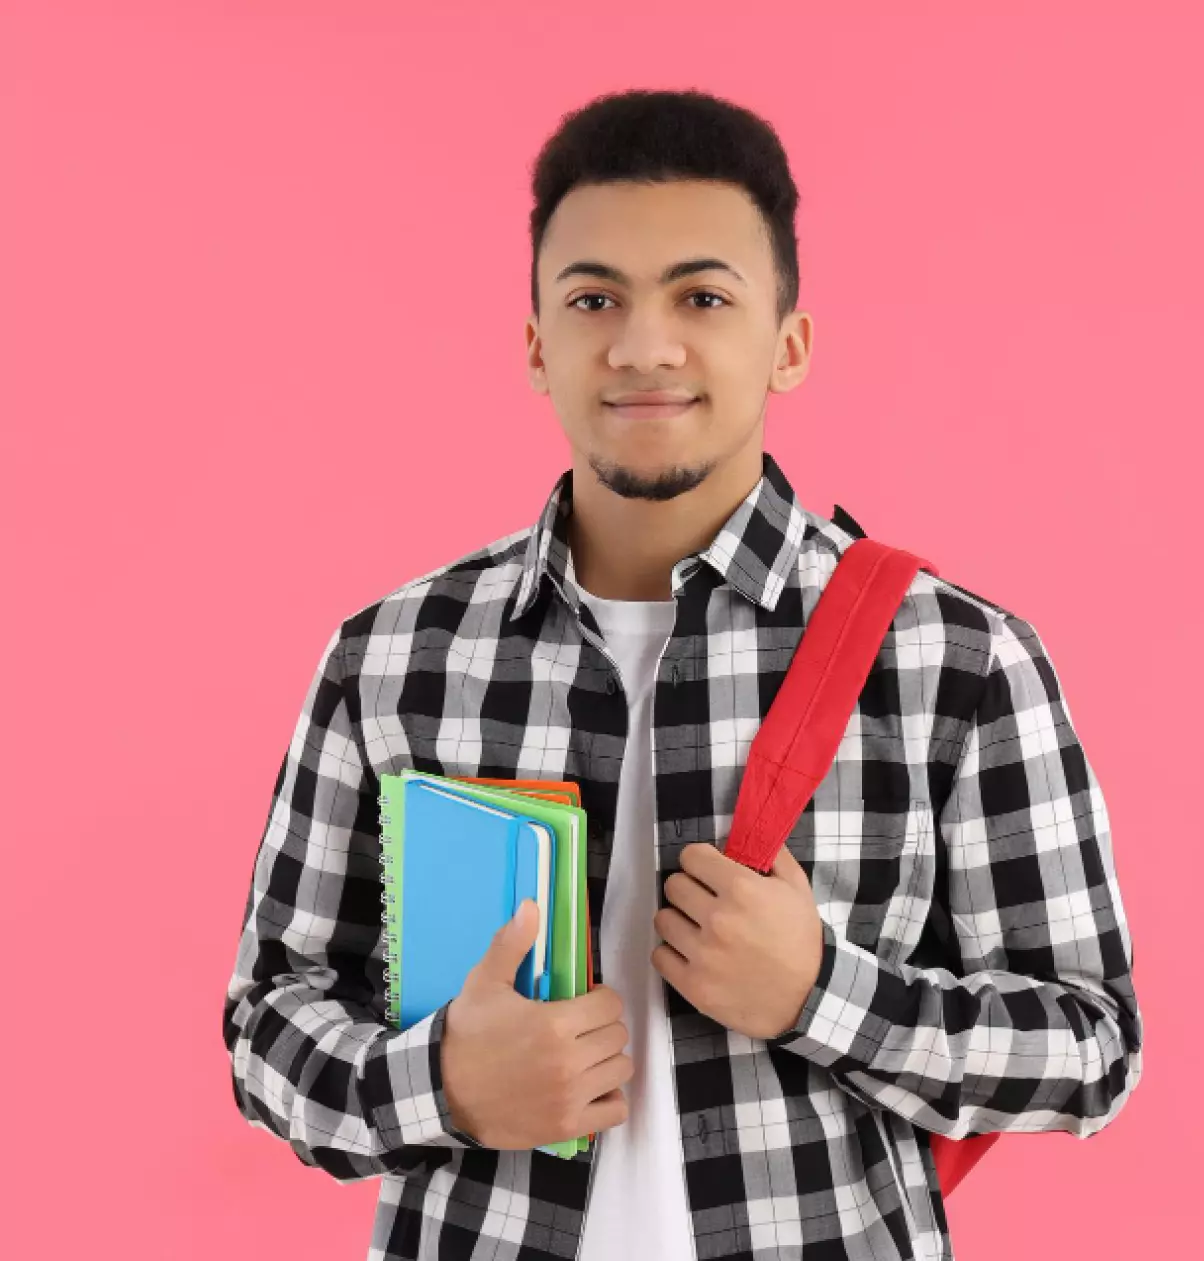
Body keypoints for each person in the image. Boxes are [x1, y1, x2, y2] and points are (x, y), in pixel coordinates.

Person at [222, 88, 1143, 1261]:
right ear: (536, 344)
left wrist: (821, 992)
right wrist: (441, 1084)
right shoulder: (392, 657)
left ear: (789, 342)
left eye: (702, 298)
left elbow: (1090, 1045)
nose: (643, 345)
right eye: (593, 298)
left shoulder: (955, 661)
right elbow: (270, 1018)